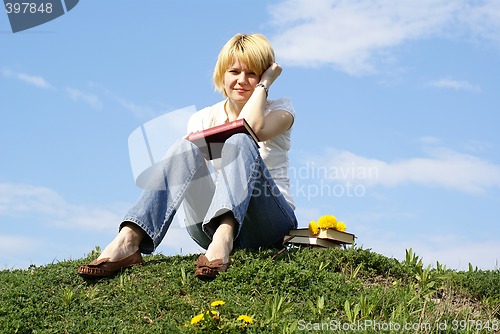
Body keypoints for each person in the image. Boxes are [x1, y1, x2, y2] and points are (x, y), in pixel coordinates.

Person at [78, 33, 298, 280]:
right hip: (208, 227)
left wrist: (265, 85)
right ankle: (129, 238)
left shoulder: (281, 110)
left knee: (239, 138)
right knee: (184, 147)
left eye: (252, 74)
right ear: (222, 75)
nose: (242, 81)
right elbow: (186, 168)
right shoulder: (202, 118)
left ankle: (225, 236)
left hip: (268, 222)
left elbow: (252, 127)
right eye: (234, 72)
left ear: (264, 76)